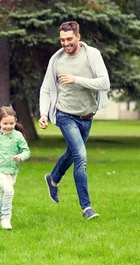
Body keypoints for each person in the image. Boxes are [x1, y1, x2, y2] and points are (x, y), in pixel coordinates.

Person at [38, 21, 110, 220]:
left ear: (78, 36)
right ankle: (86, 208)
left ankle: (53, 178)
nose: (65, 43)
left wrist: (76, 79)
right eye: (62, 40)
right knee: (81, 157)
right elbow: (45, 88)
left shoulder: (91, 55)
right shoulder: (57, 60)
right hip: (65, 115)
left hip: (87, 117)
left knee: (72, 153)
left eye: (69, 39)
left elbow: (104, 82)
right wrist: (44, 113)